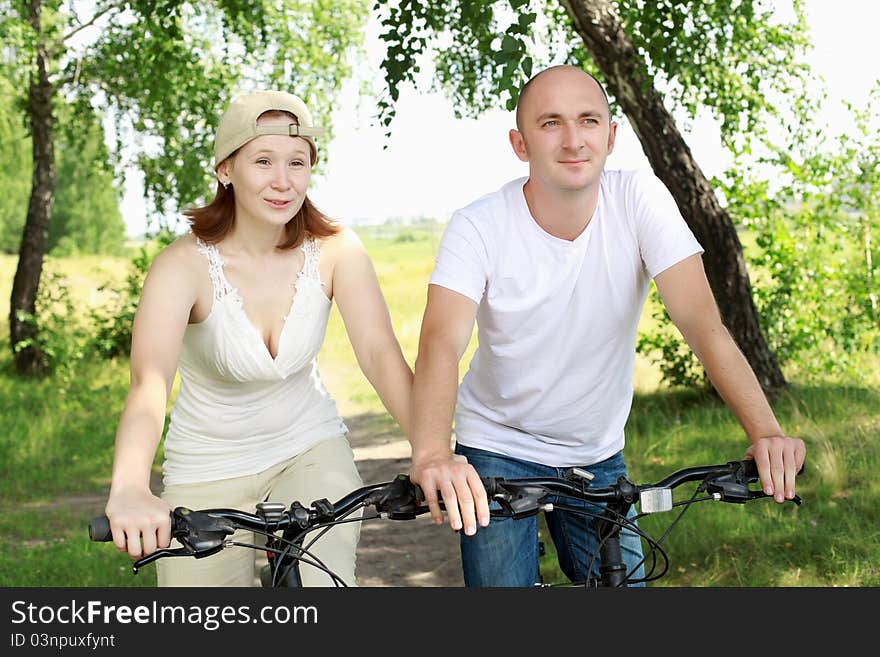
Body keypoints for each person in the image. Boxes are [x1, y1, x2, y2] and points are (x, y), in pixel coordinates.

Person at [408, 65, 807, 587]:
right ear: (520, 143)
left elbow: (702, 323)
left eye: (588, 121)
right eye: (550, 123)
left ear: (612, 136)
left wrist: (767, 433)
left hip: (596, 452)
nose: (573, 140)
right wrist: (435, 453)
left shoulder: (639, 199)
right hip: (497, 446)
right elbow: (441, 342)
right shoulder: (478, 224)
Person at [103, 90, 413, 587]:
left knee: (322, 590)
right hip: (207, 466)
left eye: (297, 162)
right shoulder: (182, 265)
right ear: (226, 170)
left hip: (309, 448)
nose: (283, 182)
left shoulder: (336, 250)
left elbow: (379, 354)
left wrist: (434, 449)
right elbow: (150, 383)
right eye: (263, 161)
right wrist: (129, 487)